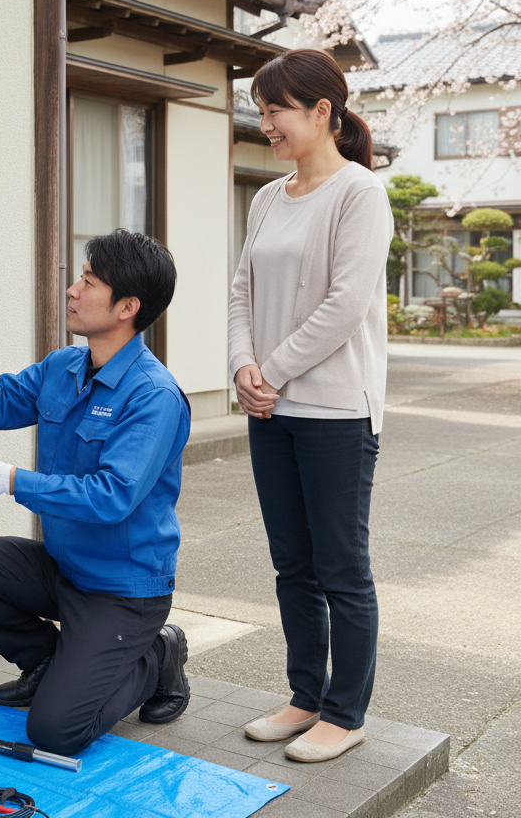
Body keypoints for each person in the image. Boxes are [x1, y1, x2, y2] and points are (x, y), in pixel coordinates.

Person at [0, 229, 191, 757]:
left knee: (55, 732)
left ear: (128, 307)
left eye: (89, 282)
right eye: (80, 277)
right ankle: (46, 661)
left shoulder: (153, 396)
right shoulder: (64, 366)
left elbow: (112, 496)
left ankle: (158, 657)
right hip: (63, 568)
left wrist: (10, 480)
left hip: (122, 591)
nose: (73, 290)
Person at [228, 48, 394, 763]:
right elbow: (242, 290)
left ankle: (345, 714)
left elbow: (345, 306)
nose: (266, 125)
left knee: (341, 569)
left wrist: (269, 371)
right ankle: (304, 696)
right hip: (271, 410)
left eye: (276, 111)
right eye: (262, 112)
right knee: (291, 564)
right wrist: (241, 366)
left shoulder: (360, 193)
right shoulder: (268, 197)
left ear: (322, 112)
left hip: (336, 412)